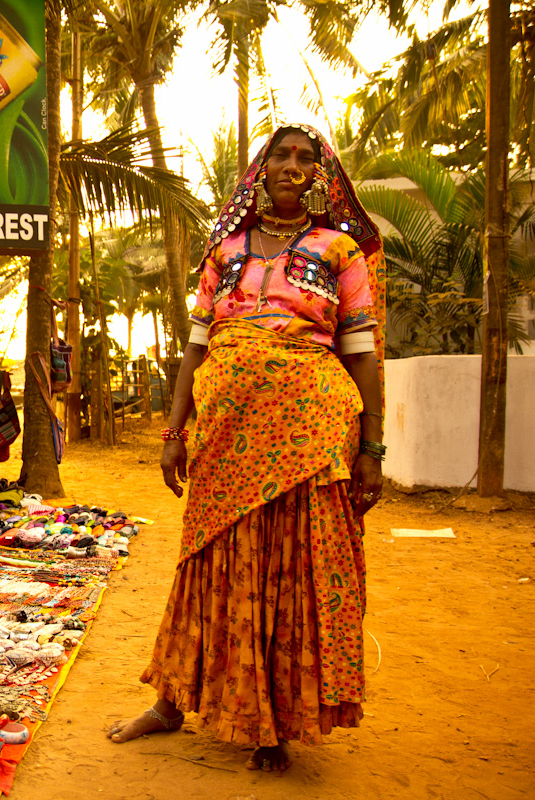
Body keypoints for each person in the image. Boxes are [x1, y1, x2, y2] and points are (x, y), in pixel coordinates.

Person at [107, 123, 386, 774]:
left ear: (322, 176)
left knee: (284, 569)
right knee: (206, 562)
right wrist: (175, 433)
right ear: (258, 170)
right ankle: (171, 702)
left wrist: (372, 446)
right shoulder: (223, 251)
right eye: (280, 154)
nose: (292, 165)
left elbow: (362, 354)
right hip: (226, 432)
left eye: (305, 158)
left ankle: (272, 723)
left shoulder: (338, 251)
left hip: (308, 435)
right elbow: (196, 348)